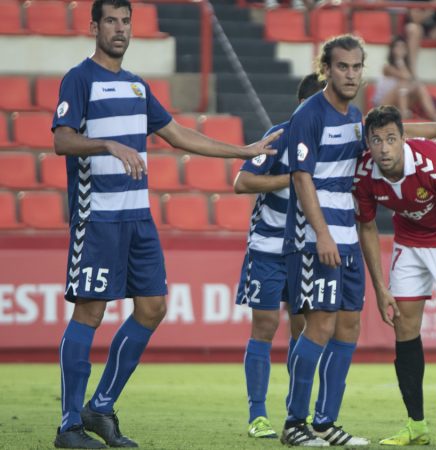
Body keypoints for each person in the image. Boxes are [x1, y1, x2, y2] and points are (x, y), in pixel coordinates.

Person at [51, 0, 282, 448]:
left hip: (138, 218)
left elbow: (178, 135)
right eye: (111, 22)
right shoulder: (79, 79)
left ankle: (100, 407)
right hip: (97, 219)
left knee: (153, 307)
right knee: (91, 312)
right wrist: (108, 146)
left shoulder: (137, 87)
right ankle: (68, 426)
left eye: (126, 21)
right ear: (94, 26)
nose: (120, 29)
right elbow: (62, 140)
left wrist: (241, 150)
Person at [279, 34, 436, 447]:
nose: (350, 74)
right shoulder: (310, 114)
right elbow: (300, 176)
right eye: (342, 66)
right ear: (326, 69)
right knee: (322, 325)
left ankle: (326, 423)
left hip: (358, 239)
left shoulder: (357, 119)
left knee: (347, 327)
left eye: (357, 66)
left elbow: (396, 131)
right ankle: (296, 423)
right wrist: (322, 233)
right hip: (320, 237)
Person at [353, 105, 436, 448]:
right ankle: (416, 425)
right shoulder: (364, 173)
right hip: (409, 240)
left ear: (404, 139)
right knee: (404, 325)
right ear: (367, 143)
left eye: (391, 139)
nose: (384, 148)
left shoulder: (431, 164)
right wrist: (380, 288)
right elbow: (365, 226)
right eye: (376, 140)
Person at [232, 73, 325, 440]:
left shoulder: (333, 140)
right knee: (266, 324)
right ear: (305, 105)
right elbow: (242, 182)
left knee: (303, 329)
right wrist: (292, 179)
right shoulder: (279, 135)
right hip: (268, 246)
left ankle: (294, 415)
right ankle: (257, 415)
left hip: (306, 249)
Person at [372, 36, 436, 121]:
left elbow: (412, 80)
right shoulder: (387, 67)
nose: (400, 49)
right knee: (402, 85)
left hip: (399, 102)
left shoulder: (407, 67)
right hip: (383, 104)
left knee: (419, 86)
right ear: (392, 50)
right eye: (397, 46)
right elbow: (405, 76)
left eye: (403, 47)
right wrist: (399, 59)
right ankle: (404, 114)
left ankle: (433, 115)